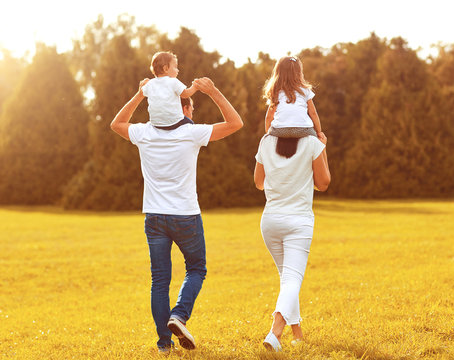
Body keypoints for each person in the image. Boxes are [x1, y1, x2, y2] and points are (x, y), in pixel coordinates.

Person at [110, 77, 243, 354]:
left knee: (159, 280)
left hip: (154, 217)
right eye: (191, 109)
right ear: (183, 109)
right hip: (185, 216)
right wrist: (214, 91)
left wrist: (139, 94)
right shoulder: (190, 132)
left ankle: (163, 345)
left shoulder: (145, 132)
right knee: (196, 269)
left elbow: (116, 124)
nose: (193, 114)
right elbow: (235, 123)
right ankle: (179, 316)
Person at [253, 128, 331, 351]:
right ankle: (275, 333)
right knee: (292, 280)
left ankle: (297, 334)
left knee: (287, 279)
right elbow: (324, 183)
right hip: (298, 222)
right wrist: (322, 148)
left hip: (270, 222)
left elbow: (259, 182)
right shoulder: (312, 142)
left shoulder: (266, 141)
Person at [263, 56, 323, 139]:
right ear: (299, 72)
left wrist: (268, 133)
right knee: (319, 145)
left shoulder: (276, 91)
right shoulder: (305, 90)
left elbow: (269, 117)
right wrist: (319, 132)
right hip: (303, 130)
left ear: (278, 72)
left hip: (279, 131)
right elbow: (313, 113)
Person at [142, 51, 198, 128]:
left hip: (156, 124)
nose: (177, 70)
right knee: (190, 123)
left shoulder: (150, 84)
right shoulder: (173, 81)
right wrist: (195, 87)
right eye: (175, 67)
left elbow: (143, 92)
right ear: (165, 68)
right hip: (174, 122)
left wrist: (144, 84)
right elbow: (185, 94)